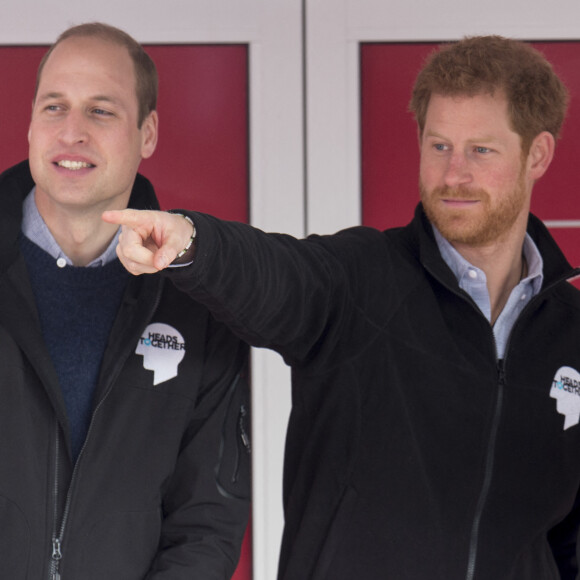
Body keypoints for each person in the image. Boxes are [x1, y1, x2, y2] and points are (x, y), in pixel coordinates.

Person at [104, 36, 580, 579]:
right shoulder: (359, 280)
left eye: (481, 151)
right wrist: (192, 244)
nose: (453, 175)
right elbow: (275, 274)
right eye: (439, 146)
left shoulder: (570, 336)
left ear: (537, 154)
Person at [0, 22, 251, 580]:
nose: (72, 133)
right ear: (30, 124)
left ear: (148, 133)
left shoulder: (198, 296)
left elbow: (207, 522)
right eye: (54, 107)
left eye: (101, 111)